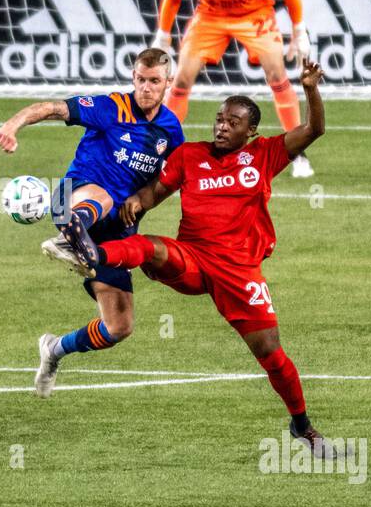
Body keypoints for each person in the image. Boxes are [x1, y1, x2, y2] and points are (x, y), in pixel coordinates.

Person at [60, 60, 334, 453]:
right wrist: (137, 202)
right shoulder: (190, 156)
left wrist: (309, 89)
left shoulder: (266, 154)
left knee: (271, 355)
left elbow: (315, 130)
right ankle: (88, 252)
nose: (222, 126)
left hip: (239, 273)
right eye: (220, 119)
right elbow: (155, 191)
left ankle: (302, 425)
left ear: (250, 131)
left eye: (233, 122)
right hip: (191, 258)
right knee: (148, 247)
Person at [0, 48, 185, 398]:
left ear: (167, 83)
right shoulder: (111, 106)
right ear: (133, 78)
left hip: (114, 234)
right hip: (74, 198)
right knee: (105, 196)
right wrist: (12, 125)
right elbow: (52, 108)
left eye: (154, 81)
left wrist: (141, 199)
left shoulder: (171, 131)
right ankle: (70, 238)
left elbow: (168, 181)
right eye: (140, 80)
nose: (145, 88)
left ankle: (55, 350)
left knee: (119, 326)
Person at [152, 0, 315, 177]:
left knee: (276, 73)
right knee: (181, 79)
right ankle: (163, 150)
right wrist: (163, 35)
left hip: (254, 15)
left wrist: (299, 31)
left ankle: (296, 152)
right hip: (210, 17)